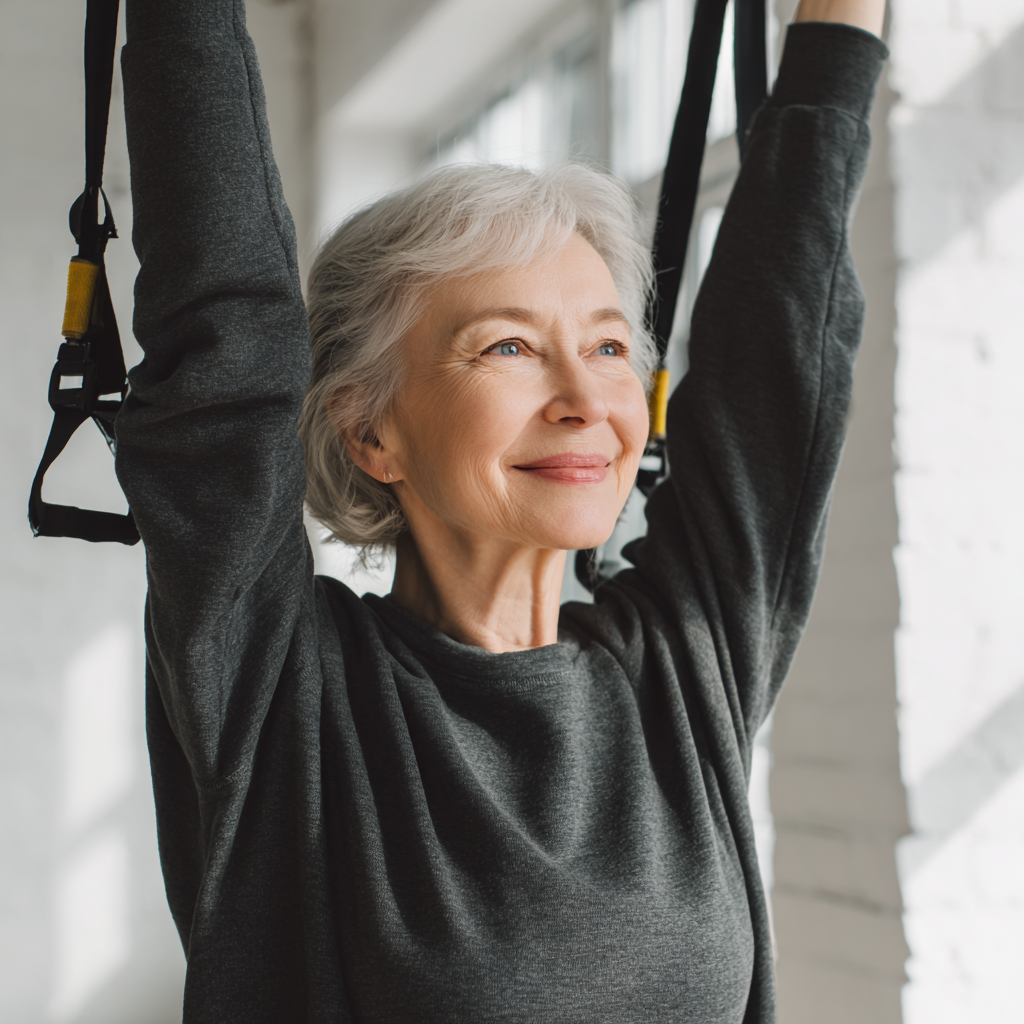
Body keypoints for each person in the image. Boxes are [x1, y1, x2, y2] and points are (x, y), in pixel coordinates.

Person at [116, 0, 887, 1020]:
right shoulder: (284, 691)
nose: (584, 400)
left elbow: (775, 348)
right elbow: (224, 341)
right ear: (369, 432)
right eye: (508, 347)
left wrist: (839, 30)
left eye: (610, 346)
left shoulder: (679, 667)